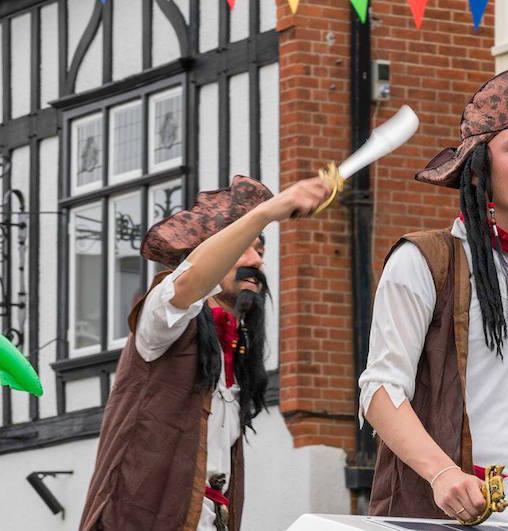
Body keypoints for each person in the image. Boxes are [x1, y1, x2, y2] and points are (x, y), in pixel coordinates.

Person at [359, 68, 508, 527]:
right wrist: (442, 473)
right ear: (479, 170)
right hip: (456, 513)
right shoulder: (425, 260)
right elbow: (380, 391)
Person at [80, 175, 331, 531]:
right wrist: (263, 214)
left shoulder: (234, 344)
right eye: (245, 245)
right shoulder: (162, 317)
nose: (256, 261)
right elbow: (188, 282)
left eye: (261, 250)